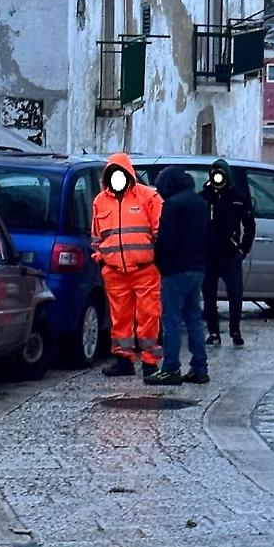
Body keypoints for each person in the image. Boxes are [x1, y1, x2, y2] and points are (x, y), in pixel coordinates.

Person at [91, 153, 163, 379]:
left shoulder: (149, 197)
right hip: (114, 272)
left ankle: (150, 363)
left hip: (145, 269)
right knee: (119, 320)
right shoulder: (100, 201)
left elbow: (160, 232)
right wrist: (100, 259)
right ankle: (124, 360)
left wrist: (159, 261)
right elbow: (95, 236)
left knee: (149, 317)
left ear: (128, 174)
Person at [147, 167, 210, 386]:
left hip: (175, 270)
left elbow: (166, 241)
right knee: (194, 319)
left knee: (171, 321)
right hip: (197, 267)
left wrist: (159, 262)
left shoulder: (173, 205)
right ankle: (199, 368)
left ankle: (170, 368)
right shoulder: (198, 202)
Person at [201, 159, 256, 347]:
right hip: (208, 256)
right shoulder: (205, 197)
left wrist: (242, 250)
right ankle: (214, 332)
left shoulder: (238, 198)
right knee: (209, 296)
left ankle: (235, 329)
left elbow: (250, 226)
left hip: (230, 255)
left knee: (235, 294)